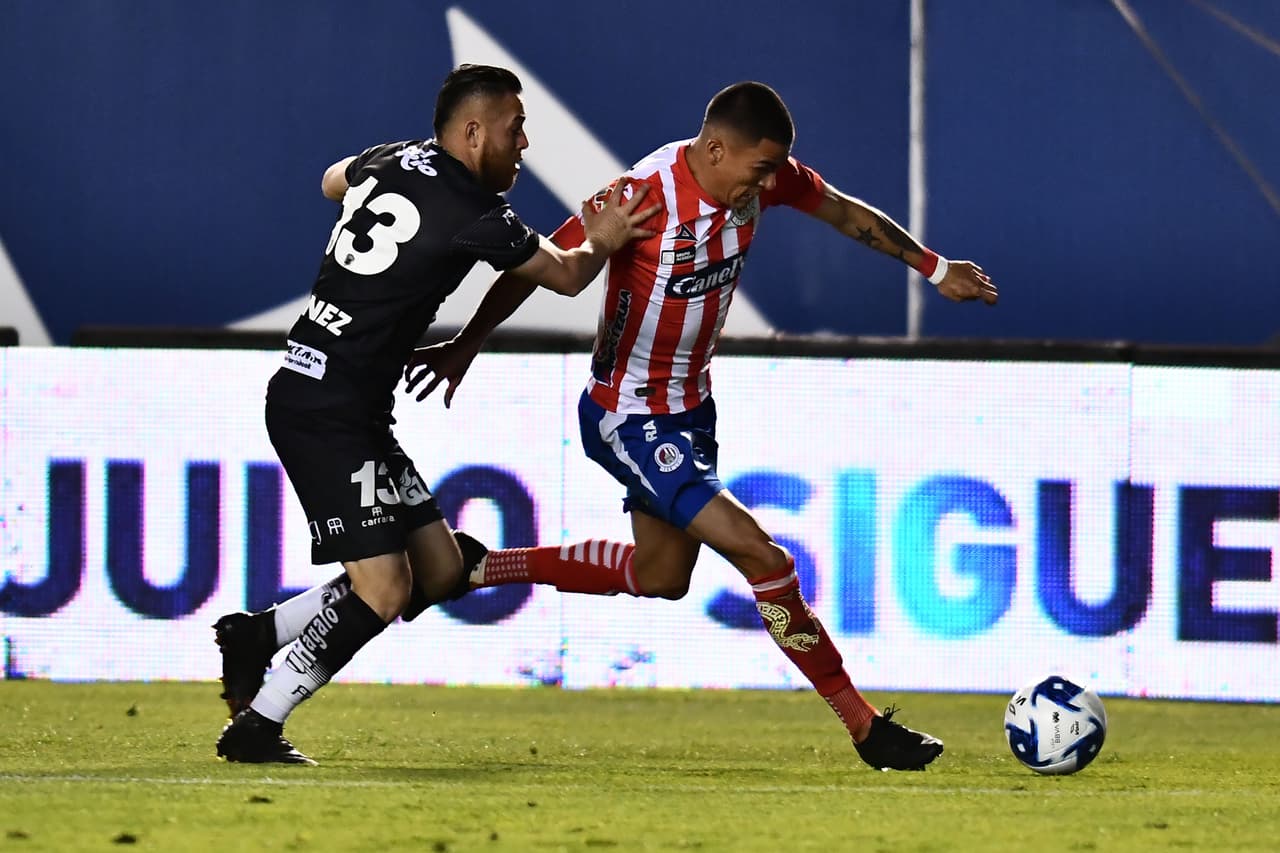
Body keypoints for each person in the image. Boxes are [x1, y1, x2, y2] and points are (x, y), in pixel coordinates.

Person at [405, 81, 998, 772]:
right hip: (627, 414)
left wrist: (933, 267)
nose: (771, 182)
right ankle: (865, 726)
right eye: (761, 167)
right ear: (715, 148)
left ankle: (481, 564)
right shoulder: (639, 196)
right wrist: (466, 342)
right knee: (763, 555)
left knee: (661, 575)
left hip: (691, 409)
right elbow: (536, 265)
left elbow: (840, 210)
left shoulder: (762, 185)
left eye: (777, 170)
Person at [212, 63, 658, 765]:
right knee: (385, 587)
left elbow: (334, 180)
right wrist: (606, 233)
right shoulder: (474, 212)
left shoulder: (390, 159)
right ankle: (260, 723)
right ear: (473, 132)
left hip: (345, 403)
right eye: (515, 129)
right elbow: (570, 275)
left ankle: (256, 635)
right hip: (324, 407)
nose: (524, 144)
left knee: (442, 570)